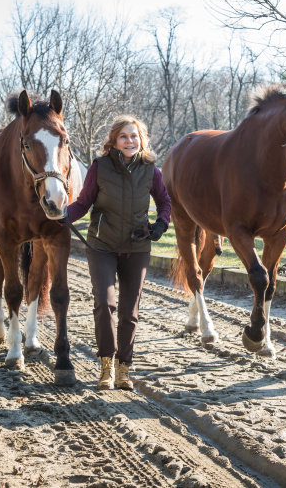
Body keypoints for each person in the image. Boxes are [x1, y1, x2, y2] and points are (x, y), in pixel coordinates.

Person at [65, 115, 171, 391]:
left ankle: (124, 368)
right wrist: (61, 217)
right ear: (113, 140)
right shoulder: (99, 167)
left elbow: (164, 201)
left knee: (129, 311)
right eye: (124, 136)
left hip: (137, 247)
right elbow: (84, 202)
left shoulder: (151, 170)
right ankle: (106, 366)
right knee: (105, 304)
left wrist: (160, 224)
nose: (129, 141)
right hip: (102, 245)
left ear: (141, 139)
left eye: (134, 136)